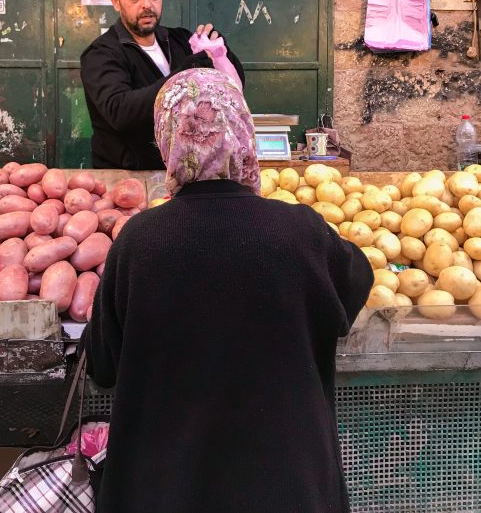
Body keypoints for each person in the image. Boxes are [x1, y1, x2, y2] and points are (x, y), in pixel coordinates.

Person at [82, 68, 374, 513]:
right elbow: (356, 286)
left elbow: (102, 365)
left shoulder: (138, 241)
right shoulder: (300, 231)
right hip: (287, 490)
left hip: (164, 492)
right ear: (243, 132)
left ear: (167, 140)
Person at [80, 0, 244, 170]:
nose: (147, 4)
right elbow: (120, 112)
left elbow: (232, 91)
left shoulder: (180, 40)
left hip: (185, 174)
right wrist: (181, 77)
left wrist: (222, 54)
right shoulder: (101, 54)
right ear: (116, 1)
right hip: (130, 176)